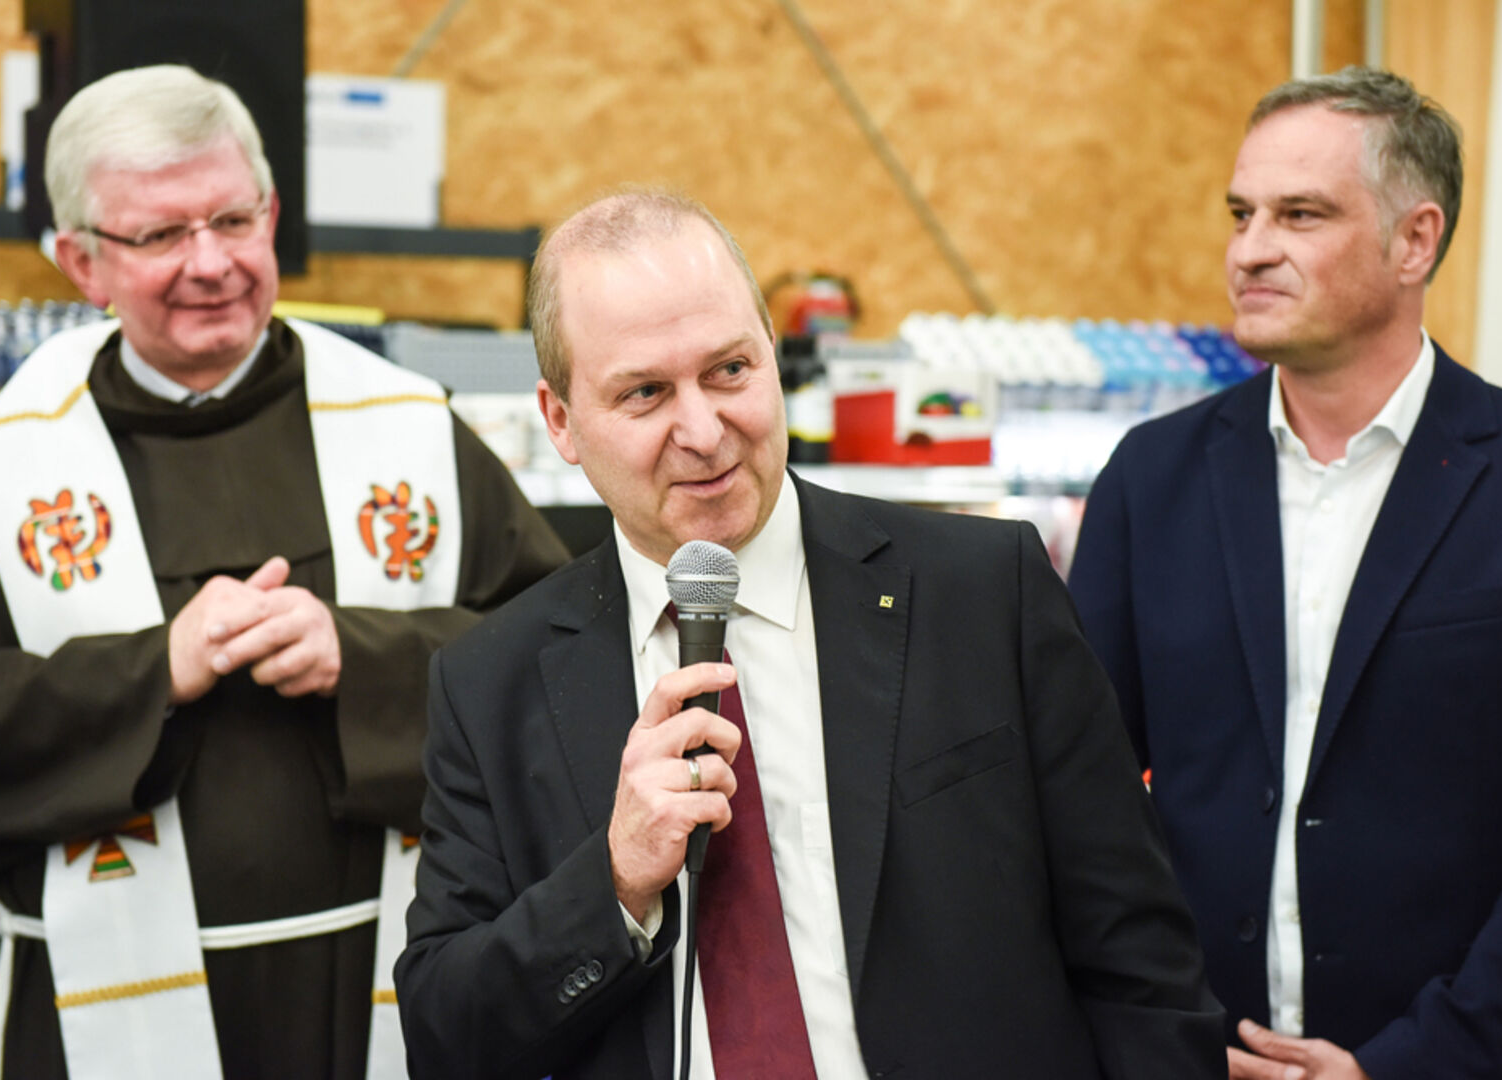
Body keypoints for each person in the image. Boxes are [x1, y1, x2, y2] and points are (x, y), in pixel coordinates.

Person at [395, 188, 1226, 1079]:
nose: (704, 432)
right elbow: (448, 1034)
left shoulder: (984, 592)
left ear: (771, 354)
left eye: (729, 370)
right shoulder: (491, 683)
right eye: (644, 393)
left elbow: (1140, 963)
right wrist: (614, 882)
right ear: (559, 420)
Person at [0, 65, 568, 1080]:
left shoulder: (404, 429)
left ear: (271, 214)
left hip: (373, 987)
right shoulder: (12, 471)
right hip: (96, 1015)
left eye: (232, 219)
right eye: (160, 235)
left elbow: (557, 669)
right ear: (81, 262)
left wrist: (358, 657)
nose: (211, 262)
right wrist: (151, 675)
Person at [1069, 67, 1502, 1080]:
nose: (1249, 250)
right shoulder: (1150, 480)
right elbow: (1078, 806)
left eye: (1299, 215)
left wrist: (1410, 1064)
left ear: (1413, 240)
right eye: (1239, 214)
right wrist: (1170, 1035)